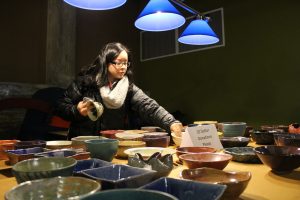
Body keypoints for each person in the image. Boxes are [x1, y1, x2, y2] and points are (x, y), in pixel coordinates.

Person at [55, 42, 183, 139]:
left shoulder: (128, 87)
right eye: (119, 62)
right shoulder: (86, 82)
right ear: (106, 62)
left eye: (126, 63)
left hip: (110, 143)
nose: (123, 67)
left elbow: (150, 107)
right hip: (82, 142)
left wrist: (171, 122)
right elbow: (60, 105)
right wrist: (76, 111)